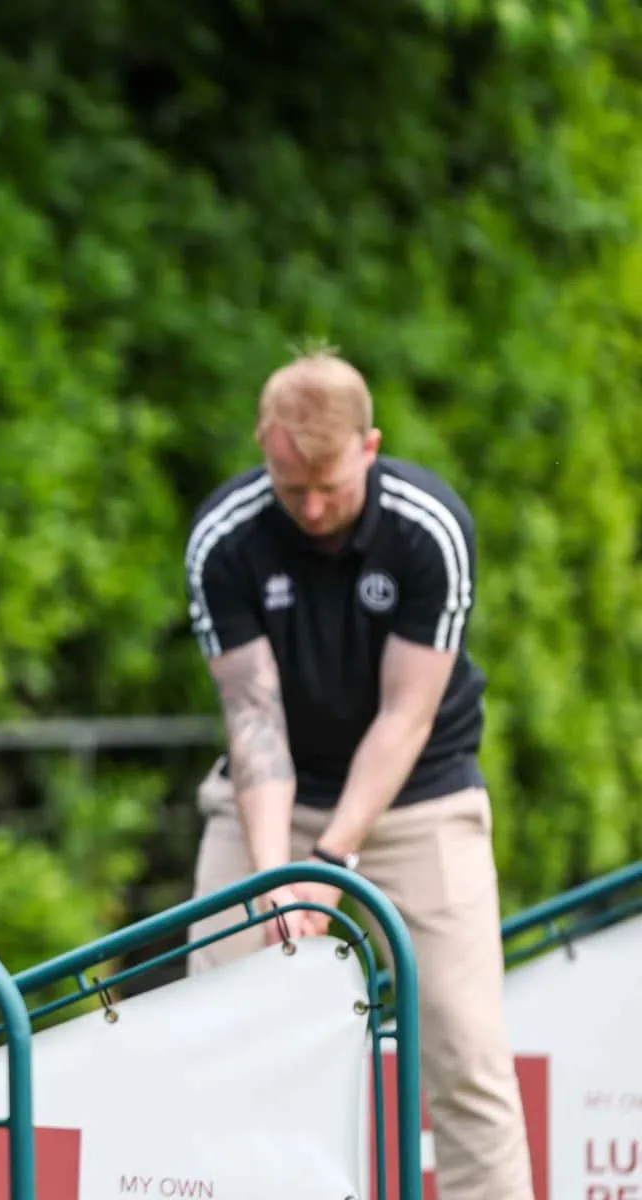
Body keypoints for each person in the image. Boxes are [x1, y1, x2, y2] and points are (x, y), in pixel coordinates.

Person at [180, 349, 534, 1199]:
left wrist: (332, 861)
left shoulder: (428, 530)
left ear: (369, 447)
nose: (309, 508)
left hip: (421, 804)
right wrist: (277, 879)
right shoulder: (225, 537)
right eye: (288, 484)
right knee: (210, 1038)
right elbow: (255, 721)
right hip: (269, 803)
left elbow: (406, 715)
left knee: (468, 1060)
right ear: (263, 445)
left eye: (328, 486)